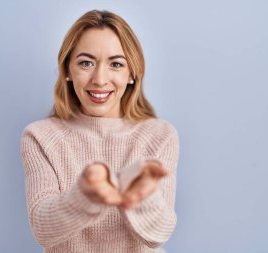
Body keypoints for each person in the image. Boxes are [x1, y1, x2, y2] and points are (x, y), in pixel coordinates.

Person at [20, 9, 179, 253]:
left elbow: (159, 235)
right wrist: (85, 196)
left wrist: (140, 197)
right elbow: (43, 229)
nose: (100, 79)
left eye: (116, 64)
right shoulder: (40, 136)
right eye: (86, 63)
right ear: (67, 72)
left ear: (132, 74)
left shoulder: (160, 135)